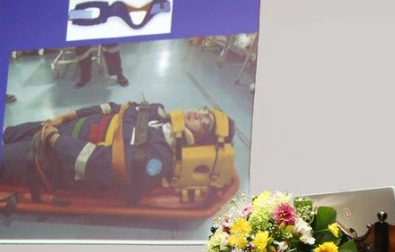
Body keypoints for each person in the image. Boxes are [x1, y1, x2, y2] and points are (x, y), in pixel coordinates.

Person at [0, 101, 234, 201]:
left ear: (201, 143)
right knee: (8, 132)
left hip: (52, 158)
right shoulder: (157, 112)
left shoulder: (158, 159)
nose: (198, 114)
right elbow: (114, 107)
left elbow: (99, 165)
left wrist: (54, 140)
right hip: (59, 128)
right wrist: (72, 115)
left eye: (205, 122)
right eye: (204, 111)